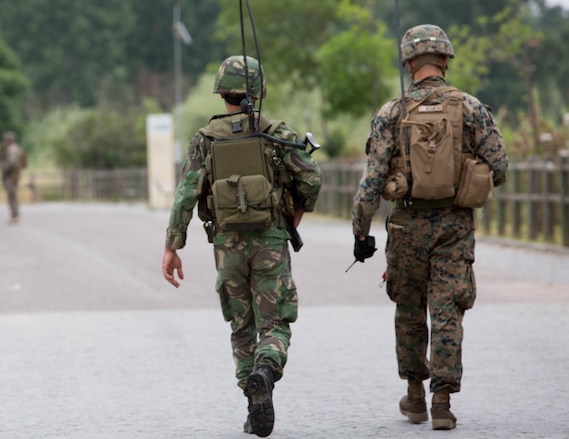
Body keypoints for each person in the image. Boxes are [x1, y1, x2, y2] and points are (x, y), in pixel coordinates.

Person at [351, 24, 509, 430]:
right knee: (447, 308)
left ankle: (415, 396)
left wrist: (360, 230)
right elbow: (501, 166)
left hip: (405, 226)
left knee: (408, 311)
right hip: (454, 225)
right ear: (443, 59)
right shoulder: (471, 108)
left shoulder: (391, 113)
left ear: (408, 62)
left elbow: (371, 180)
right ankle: (443, 402)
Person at [162, 55, 322, 437]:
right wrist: (295, 215)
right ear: (258, 91)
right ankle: (266, 371)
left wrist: (172, 245)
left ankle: (253, 406)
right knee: (275, 322)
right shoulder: (275, 132)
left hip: (227, 248)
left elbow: (187, 194)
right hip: (269, 242)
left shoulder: (205, 139)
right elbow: (311, 178)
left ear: (222, 93)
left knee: (241, 325)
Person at [0, 131, 26, 224]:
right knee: (12, 195)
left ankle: (14, 216)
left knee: (12, 196)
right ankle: (15, 215)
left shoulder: (12, 149)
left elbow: (12, 162)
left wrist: (3, 167)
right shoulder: (16, 148)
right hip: (13, 175)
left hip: (11, 176)